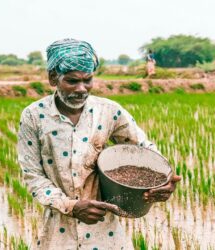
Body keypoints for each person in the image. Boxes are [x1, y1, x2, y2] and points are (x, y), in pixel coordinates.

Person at [17, 38, 181, 250]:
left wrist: (164, 180)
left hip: (105, 231)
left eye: (88, 80)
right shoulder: (34, 116)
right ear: (53, 78)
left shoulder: (108, 111)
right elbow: (33, 175)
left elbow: (144, 149)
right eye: (72, 81)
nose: (82, 89)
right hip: (58, 231)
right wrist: (71, 206)